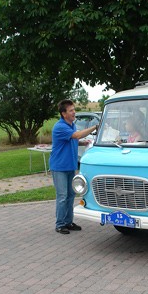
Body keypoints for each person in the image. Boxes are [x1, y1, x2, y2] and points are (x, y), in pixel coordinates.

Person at [51, 99, 98, 234]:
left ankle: (68, 222)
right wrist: (95, 127)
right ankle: (60, 224)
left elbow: (73, 140)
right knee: (62, 196)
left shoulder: (71, 125)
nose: (74, 112)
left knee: (71, 195)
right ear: (63, 113)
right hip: (59, 167)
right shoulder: (60, 126)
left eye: (74, 110)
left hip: (70, 166)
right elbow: (76, 135)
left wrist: (83, 143)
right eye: (71, 110)